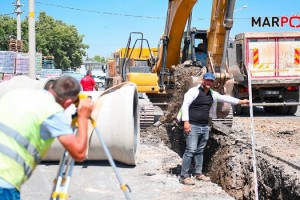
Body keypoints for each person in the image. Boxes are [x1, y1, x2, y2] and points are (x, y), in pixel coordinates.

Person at [0, 75, 94, 199]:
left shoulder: (16, 93)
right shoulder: (52, 111)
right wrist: (83, 117)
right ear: (68, 102)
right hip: (5, 180)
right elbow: (79, 153)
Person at [178, 72, 249, 185]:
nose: (209, 82)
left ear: (213, 82)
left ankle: (198, 173)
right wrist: (186, 122)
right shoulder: (193, 92)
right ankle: (184, 176)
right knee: (190, 150)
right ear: (203, 80)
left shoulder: (212, 94)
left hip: (204, 126)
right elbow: (185, 105)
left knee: (200, 150)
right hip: (193, 125)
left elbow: (225, 98)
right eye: (207, 80)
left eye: (211, 81)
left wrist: (240, 101)